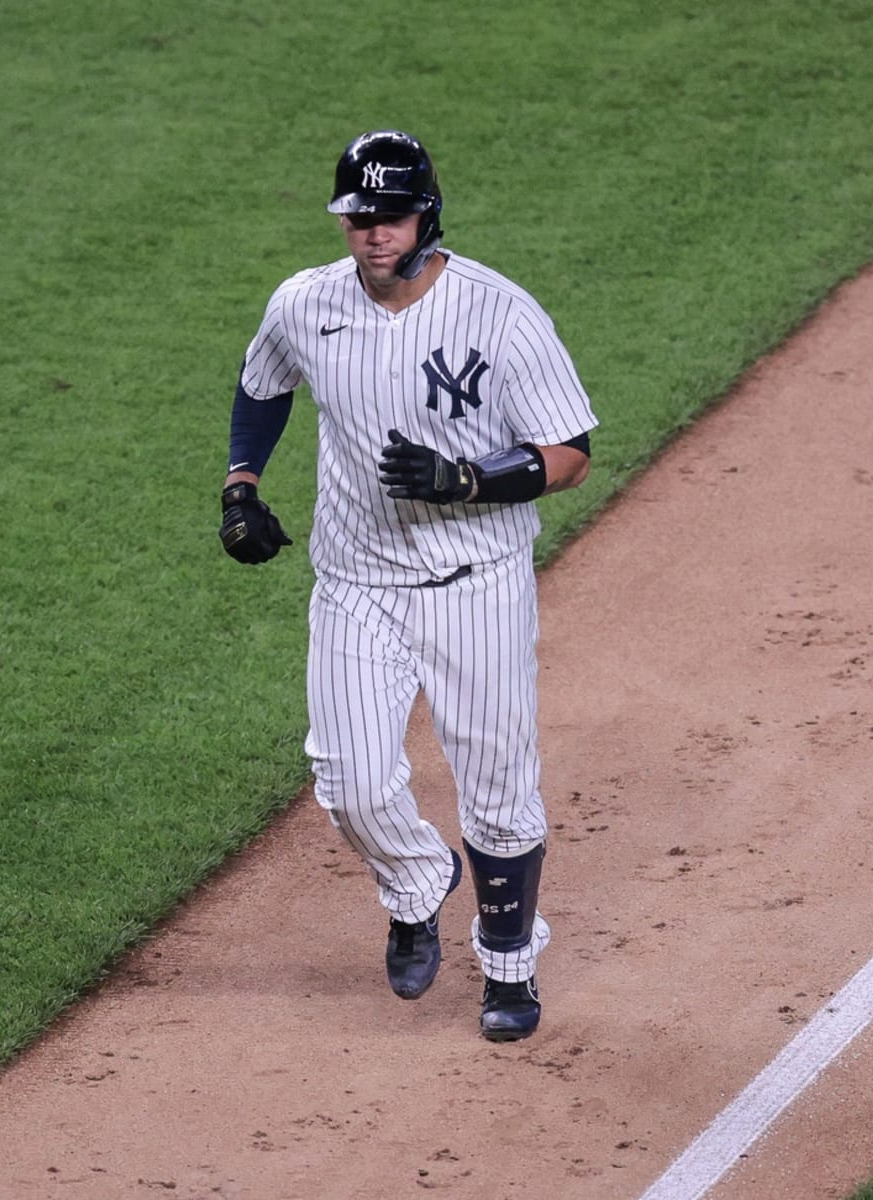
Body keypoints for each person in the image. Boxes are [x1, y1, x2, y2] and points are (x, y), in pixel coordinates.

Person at [220, 129, 598, 1041]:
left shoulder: (500, 313)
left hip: (476, 584)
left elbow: (571, 455)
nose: (372, 233)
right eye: (359, 217)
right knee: (347, 779)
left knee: (499, 790)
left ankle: (510, 969)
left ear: (426, 215)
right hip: (355, 580)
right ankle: (418, 882)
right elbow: (262, 381)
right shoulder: (306, 303)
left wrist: (465, 481)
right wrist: (240, 488)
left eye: (388, 216)